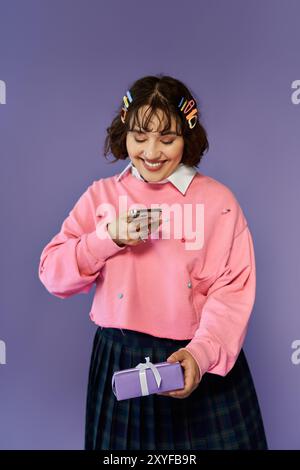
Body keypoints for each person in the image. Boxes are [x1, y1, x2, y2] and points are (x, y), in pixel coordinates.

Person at [38, 74, 268, 450]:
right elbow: (52, 274)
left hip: (199, 357)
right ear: (124, 133)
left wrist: (200, 355)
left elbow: (232, 292)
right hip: (121, 358)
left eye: (167, 138)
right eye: (140, 136)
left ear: (187, 138)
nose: (151, 152)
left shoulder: (219, 202)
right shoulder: (101, 197)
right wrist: (107, 239)